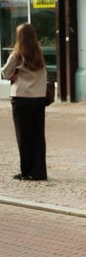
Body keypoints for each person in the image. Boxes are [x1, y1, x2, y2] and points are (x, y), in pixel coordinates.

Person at [3, 23, 48, 182]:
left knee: (23, 136)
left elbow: (4, 72)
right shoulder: (39, 54)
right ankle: (40, 172)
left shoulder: (17, 55)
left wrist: (14, 74)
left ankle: (26, 172)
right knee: (38, 136)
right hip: (38, 99)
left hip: (21, 99)